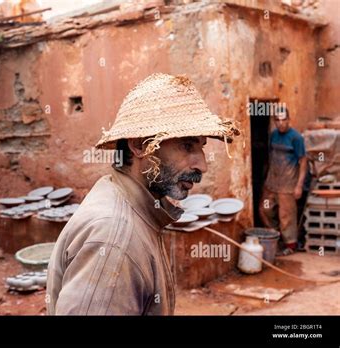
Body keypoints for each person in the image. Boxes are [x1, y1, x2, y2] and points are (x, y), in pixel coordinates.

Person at [46, 73, 239, 315]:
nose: (202, 165)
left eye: (201, 147)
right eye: (187, 146)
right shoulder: (114, 238)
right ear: (139, 145)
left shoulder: (133, 206)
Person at [259, 106, 307, 255]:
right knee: (264, 209)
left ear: (289, 120)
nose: (280, 123)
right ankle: (276, 235)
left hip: (288, 184)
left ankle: (290, 245)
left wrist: (299, 186)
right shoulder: (273, 135)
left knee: (286, 216)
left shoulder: (296, 138)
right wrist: (265, 179)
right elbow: (269, 157)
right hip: (272, 182)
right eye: (277, 120)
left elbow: (303, 161)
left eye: (283, 119)